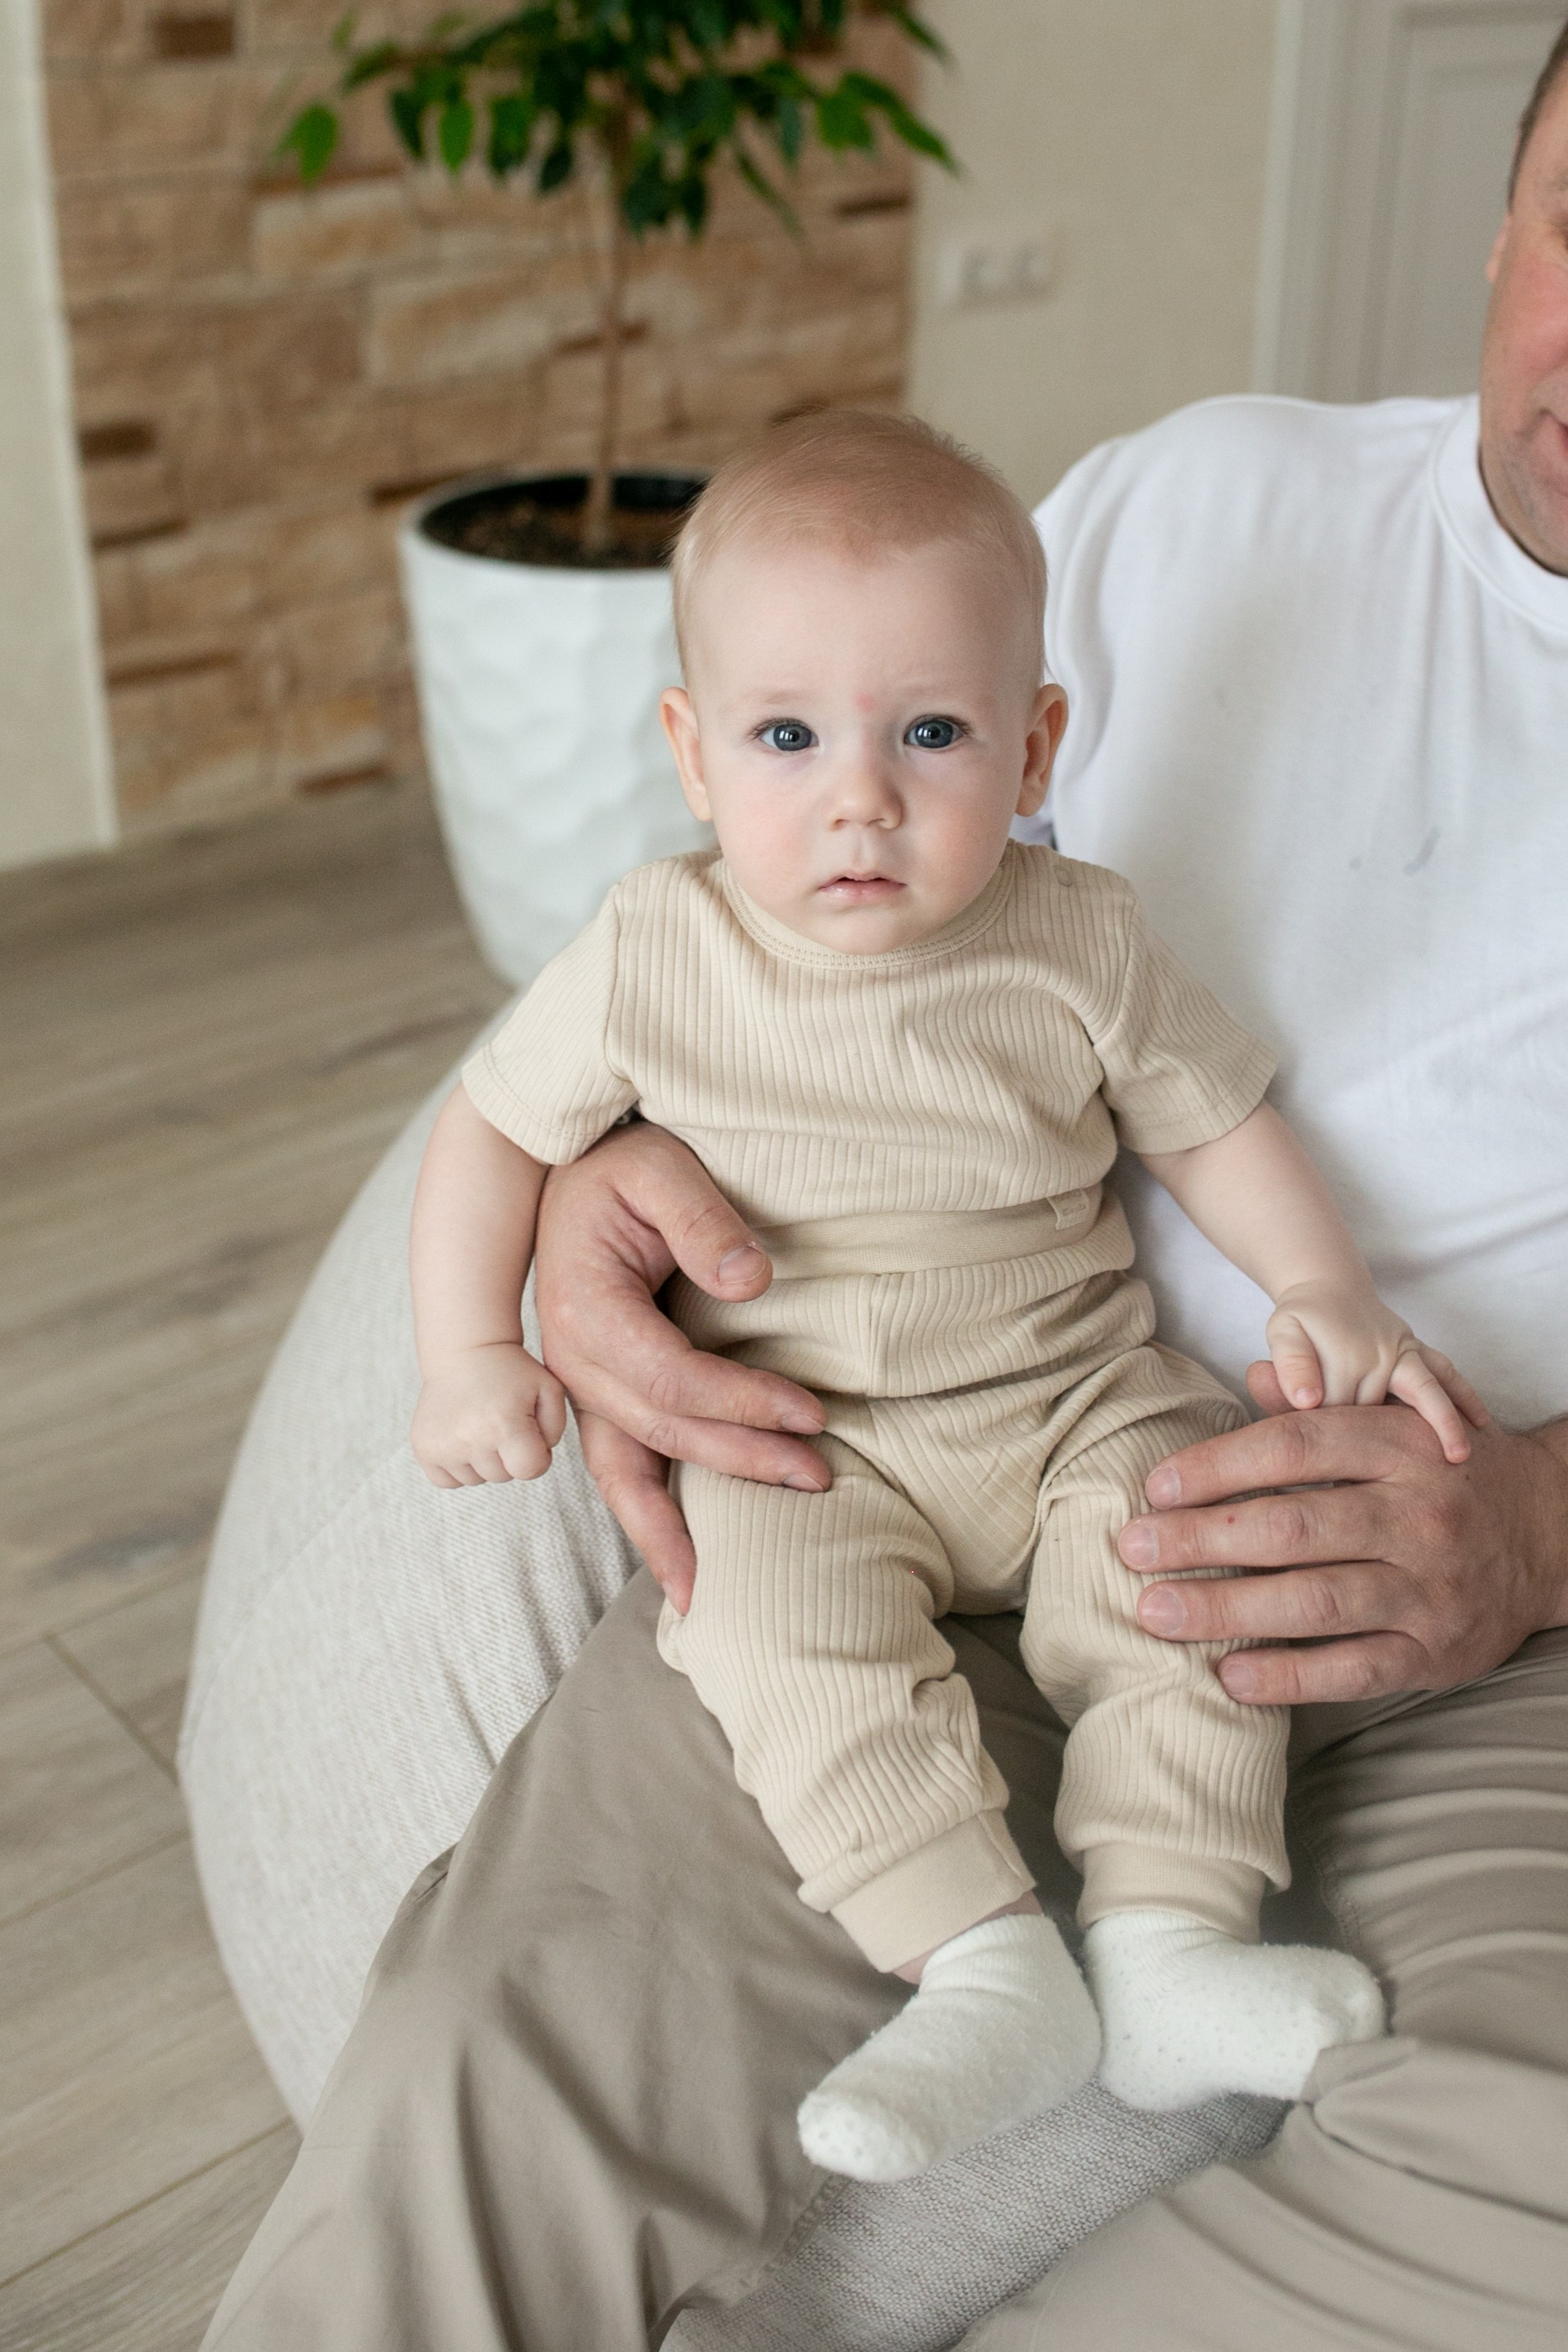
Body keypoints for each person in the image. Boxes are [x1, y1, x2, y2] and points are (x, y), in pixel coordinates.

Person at [204, 21, 1568, 2349]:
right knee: (504, 2076)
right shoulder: (1199, 515)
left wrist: (1540, 1524)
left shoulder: (1105, 938)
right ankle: (986, 1966)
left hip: (1504, 1645)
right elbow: (794, 911)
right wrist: (585, 1219)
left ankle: (1146, 1971)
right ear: (1506, 217)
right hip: (887, 1452)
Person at [403, 410, 1472, 2175]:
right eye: (784, 734)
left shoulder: (1078, 936)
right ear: (688, 750)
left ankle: (1167, 1939)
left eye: (929, 732)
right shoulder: (652, 950)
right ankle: (977, 1966)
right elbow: (492, 1135)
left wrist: (1321, 1285)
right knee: (755, 1625)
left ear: (1033, 741)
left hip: (1070, 1399)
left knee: (1193, 1563)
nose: (860, 796)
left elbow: (1214, 1121)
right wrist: (464, 1350)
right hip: (809, 1431)